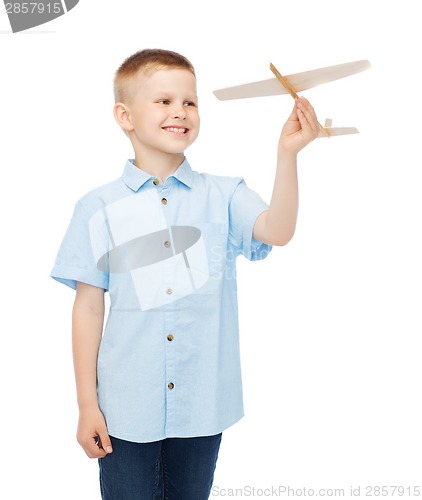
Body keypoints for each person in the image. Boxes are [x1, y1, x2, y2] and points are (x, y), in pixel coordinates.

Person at [51, 48, 319, 499]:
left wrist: (287, 154)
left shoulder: (225, 194)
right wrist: (86, 405)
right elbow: (89, 307)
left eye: (190, 102)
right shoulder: (97, 207)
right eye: (164, 101)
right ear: (125, 115)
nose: (181, 112)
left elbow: (277, 230)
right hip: (125, 406)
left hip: (201, 405)